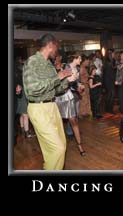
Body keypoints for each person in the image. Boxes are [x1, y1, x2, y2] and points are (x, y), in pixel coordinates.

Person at [23, 33, 76, 170]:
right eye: (56, 47)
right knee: (57, 149)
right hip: (39, 108)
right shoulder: (32, 62)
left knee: (61, 146)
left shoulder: (49, 65)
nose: (57, 51)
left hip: (52, 106)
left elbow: (56, 89)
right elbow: (32, 89)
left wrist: (67, 81)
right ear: (51, 45)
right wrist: (59, 76)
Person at [56, 52, 86, 156]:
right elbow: (58, 82)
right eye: (80, 58)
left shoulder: (77, 69)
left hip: (68, 96)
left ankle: (80, 146)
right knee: (58, 123)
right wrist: (69, 81)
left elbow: (74, 83)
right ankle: (59, 147)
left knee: (73, 120)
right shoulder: (64, 66)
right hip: (58, 98)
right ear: (75, 58)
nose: (81, 60)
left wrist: (78, 86)